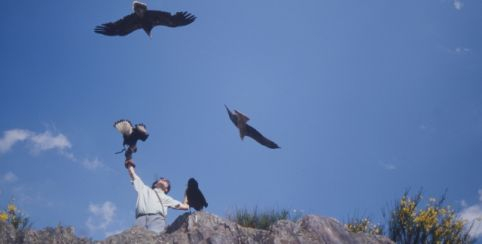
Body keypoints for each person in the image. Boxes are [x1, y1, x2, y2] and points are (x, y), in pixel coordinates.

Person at [124, 159, 189, 234]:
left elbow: (185, 206)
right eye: (162, 179)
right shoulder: (144, 189)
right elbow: (133, 175)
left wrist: (187, 192)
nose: (164, 180)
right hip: (140, 219)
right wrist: (129, 162)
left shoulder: (166, 198)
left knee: (155, 238)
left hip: (157, 220)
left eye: (166, 181)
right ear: (155, 184)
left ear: (166, 189)